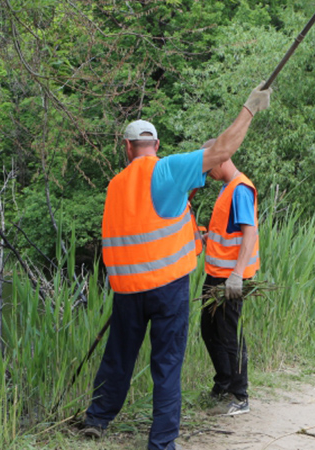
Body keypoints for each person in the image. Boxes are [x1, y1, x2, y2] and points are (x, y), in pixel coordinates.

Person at [82, 82, 271, 450]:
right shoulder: (167, 170)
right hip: (167, 288)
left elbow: (145, 225)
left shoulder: (115, 185)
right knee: (167, 364)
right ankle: (162, 442)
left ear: (127, 148)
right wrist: (250, 107)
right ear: (156, 146)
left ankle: (97, 419)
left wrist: (192, 236)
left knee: (118, 355)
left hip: (127, 290)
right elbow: (222, 150)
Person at [200, 154, 259, 416]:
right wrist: (207, 238)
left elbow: (249, 232)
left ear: (222, 159)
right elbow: (228, 232)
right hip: (216, 274)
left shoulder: (240, 189)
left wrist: (237, 274)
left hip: (230, 278)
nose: (206, 173)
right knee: (209, 328)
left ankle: (239, 395)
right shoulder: (227, 188)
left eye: (208, 167)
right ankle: (224, 383)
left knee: (229, 334)